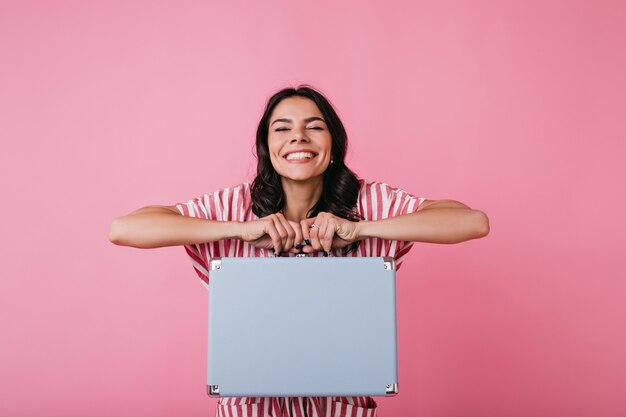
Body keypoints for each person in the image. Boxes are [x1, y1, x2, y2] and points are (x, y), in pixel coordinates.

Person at [109, 85, 490, 417]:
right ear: (266, 146)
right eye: (283, 128)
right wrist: (240, 231)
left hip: (342, 408)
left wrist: (358, 229)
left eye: (314, 127)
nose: (298, 138)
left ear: (333, 144)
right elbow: (124, 229)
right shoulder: (234, 207)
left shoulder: (369, 202)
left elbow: (471, 222)